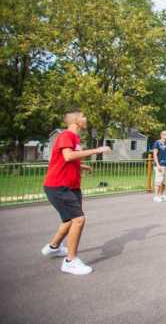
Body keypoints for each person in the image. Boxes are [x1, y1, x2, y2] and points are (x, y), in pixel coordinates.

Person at [41, 110, 111, 275]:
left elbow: (68, 160)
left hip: (71, 186)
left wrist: (82, 166)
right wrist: (97, 150)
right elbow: (68, 156)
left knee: (69, 221)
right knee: (78, 219)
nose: (86, 119)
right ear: (75, 120)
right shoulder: (67, 135)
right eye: (83, 117)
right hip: (58, 186)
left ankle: (53, 248)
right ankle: (70, 261)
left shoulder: (76, 138)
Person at [152, 130, 166, 202]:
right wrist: (157, 165)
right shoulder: (157, 143)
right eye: (164, 134)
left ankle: (161, 195)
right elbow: (154, 155)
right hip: (160, 165)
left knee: (164, 181)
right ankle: (156, 196)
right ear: (161, 135)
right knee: (158, 181)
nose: (165, 135)